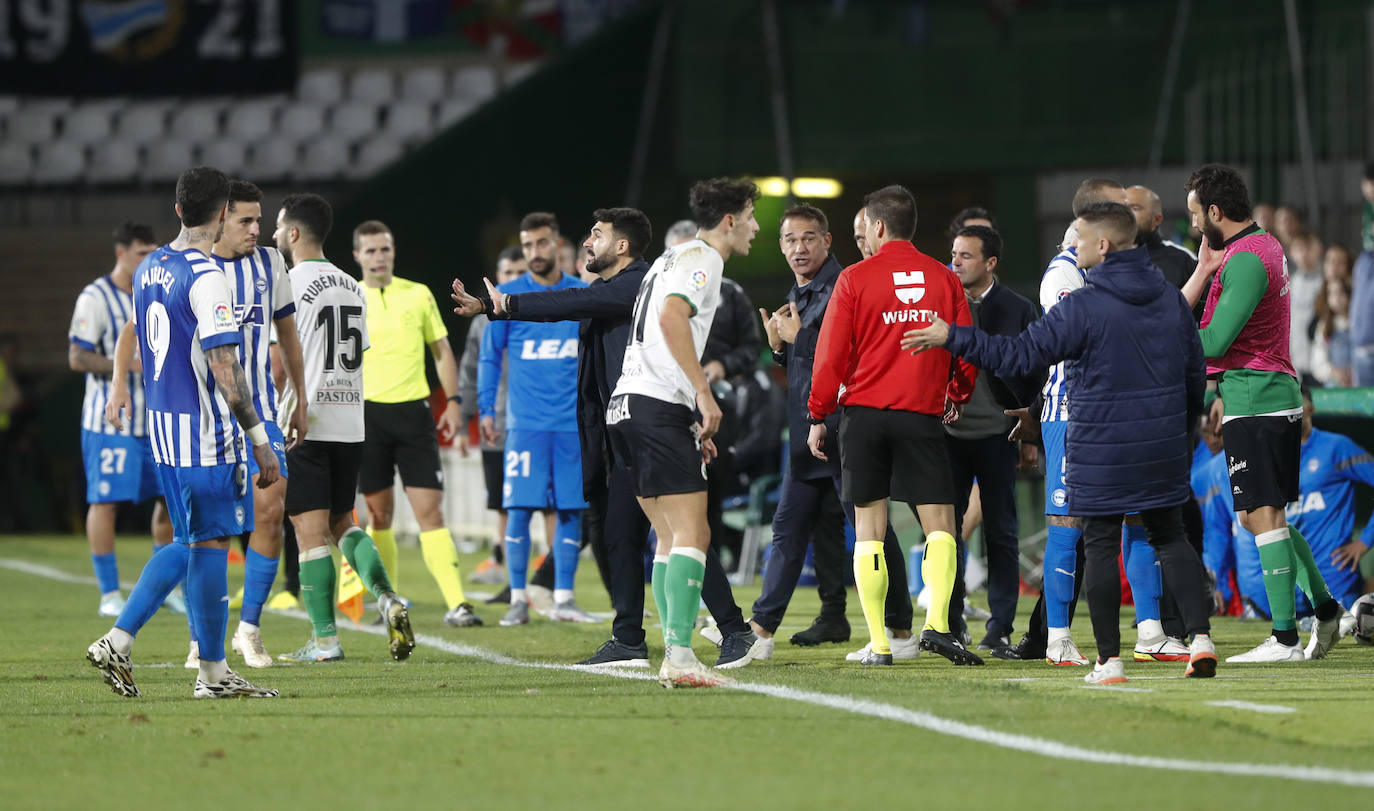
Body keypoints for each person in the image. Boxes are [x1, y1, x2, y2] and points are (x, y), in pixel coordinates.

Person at [904, 200, 1217, 684]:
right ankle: (1199, 640)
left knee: (1099, 540)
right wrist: (1187, 427)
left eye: (1080, 238)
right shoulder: (1169, 297)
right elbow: (1194, 369)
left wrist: (955, 337)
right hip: (1161, 441)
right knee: (1169, 537)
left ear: (1103, 245)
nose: (1072, 245)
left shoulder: (1085, 305)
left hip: (1100, 442)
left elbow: (1021, 353)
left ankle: (1108, 661)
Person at [87, 166, 279, 699]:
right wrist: (261, 441)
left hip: (163, 430)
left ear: (176, 209)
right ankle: (211, 674)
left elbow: (137, 336)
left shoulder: (151, 266)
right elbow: (225, 367)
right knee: (212, 542)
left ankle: (124, 642)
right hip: (202, 432)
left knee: (193, 540)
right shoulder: (206, 274)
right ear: (222, 213)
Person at [807, 183, 982, 667]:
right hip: (921, 415)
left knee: (869, 527)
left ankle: (880, 644)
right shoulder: (943, 279)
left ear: (878, 227)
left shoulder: (856, 278)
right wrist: (957, 393)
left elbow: (831, 354)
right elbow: (967, 345)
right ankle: (939, 627)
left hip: (863, 417)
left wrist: (818, 411)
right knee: (941, 525)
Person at [1180, 164, 1346, 662]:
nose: (1192, 227)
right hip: (1256, 396)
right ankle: (1324, 606)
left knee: (1265, 517)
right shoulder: (1259, 246)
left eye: (1194, 215)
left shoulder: (1248, 260)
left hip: (1259, 400)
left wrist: (1163, 334)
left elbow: (1214, 340)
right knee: (1259, 518)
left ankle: (1285, 638)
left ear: (1215, 212)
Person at [1013, 178, 1181, 667]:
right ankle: (1058, 637)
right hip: (1071, 414)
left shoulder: (1109, 272)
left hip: (1115, 415)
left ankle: (1150, 632)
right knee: (1069, 522)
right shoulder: (1063, 276)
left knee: (1138, 516)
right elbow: (1082, 344)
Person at [606, 178, 761, 687]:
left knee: (669, 538)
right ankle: (678, 654)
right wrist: (702, 393)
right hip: (656, 404)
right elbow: (673, 317)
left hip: (629, 404)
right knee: (693, 531)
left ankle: (676, 651)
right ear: (731, 220)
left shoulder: (670, 256)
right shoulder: (706, 259)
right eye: (752, 216)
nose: (756, 227)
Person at [749, 204, 915, 657]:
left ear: (827, 241)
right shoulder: (798, 292)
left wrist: (797, 339)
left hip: (843, 428)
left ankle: (901, 631)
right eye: (789, 240)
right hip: (808, 431)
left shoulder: (849, 284)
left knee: (873, 531)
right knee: (787, 529)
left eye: (807, 238)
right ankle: (760, 631)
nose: (798, 248)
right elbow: (808, 366)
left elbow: (850, 357)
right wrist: (780, 349)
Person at [270, 193, 416, 663]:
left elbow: (278, 362)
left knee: (309, 535)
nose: (273, 235)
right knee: (343, 523)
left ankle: (325, 639)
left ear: (293, 233)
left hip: (305, 421)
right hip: (351, 420)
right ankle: (388, 597)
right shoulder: (353, 286)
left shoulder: (288, 283)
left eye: (277, 227)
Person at [352, 220, 481, 627]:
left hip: (414, 413)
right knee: (379, 515)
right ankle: (386, 600)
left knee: (431, 512)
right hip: (366, 414)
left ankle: (457, 604)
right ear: (357, 255)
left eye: (384, 249)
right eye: (370, 250)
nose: (378, 257)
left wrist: (454, 402)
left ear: (393, 251)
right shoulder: (348, 297)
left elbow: (442, 352)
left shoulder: (418, 294)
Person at [203, 179, 309, 669]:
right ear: (220, 217)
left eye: (259, 219)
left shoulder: (271, 262)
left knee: (270, 512)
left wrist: (300, 399)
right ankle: (200, 636)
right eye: (245, 220)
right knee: (211, 531)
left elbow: (287, 331)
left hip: (262, 413)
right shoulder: (192, 265)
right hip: (203, 418)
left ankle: (249, 629)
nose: (257, 229)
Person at [477, 212, 594, 626]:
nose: (535, 253)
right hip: (525, 424)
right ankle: (518, 599)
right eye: (528, 246)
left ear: (557, 244)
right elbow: (490, 358)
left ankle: (563, 597)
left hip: (571, 425)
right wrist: (486, 408)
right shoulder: (507, 297)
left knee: (570, 510)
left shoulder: (582, 293)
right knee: (519, 509)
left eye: (542, 244)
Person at [68, 222, 178, 616]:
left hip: (158, 420)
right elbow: (77, 357)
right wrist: (130, 366)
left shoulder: (158, 291)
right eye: (140, 253)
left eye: (152, 251)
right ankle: (110, 593)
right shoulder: (95, 297)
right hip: (110, 423)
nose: (147, 259)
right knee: (106, 500)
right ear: (121, 253)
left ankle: (165, 588)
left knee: (169, 501)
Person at [943, 224, 1042, 656]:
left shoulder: (1019, 308)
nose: (956, 262)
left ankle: (999, 626)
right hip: (948, 435)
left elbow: (1039, 371)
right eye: (954, 254)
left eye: (966, 255)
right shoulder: (940, 304)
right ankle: (950, 620)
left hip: (1000, 435)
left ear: (991, 263)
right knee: (947, 532)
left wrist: (1031, 431)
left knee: (1002, 533)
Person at [459, 246, 525, 585]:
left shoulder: (544, 313)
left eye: (519, 271)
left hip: (533, 422)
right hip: (496, 423)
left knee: (545, 500)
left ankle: (543, 560)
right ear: (497, 277)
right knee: (501, 501)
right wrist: (463, 419)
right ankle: (500, 559)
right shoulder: (485, 322)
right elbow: (470, 370)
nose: (513, 279)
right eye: (508, 272)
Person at [1310, 277, 1353, 387]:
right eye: (1332, 293)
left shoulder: (1356, 323)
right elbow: (1318, 361)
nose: (1337, 298)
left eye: (1340, 292)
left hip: (1356, 382)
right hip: (1334, 387)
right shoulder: (1325, 326)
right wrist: (1333, 371)